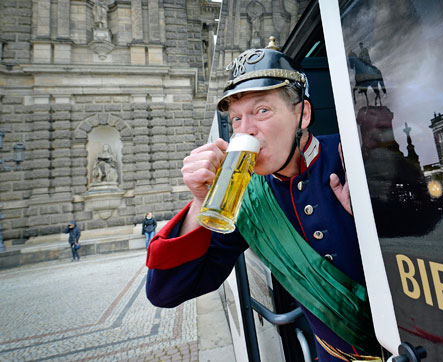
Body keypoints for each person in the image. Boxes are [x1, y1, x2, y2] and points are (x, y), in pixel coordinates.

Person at [146, 45, 381, 361]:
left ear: (303, 115)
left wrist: (382, 223)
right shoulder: (247, 199)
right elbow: (165, 291)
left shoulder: (355, 156)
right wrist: (201, 200)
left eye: (262, 111)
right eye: (236, 119)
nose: (246, 130)